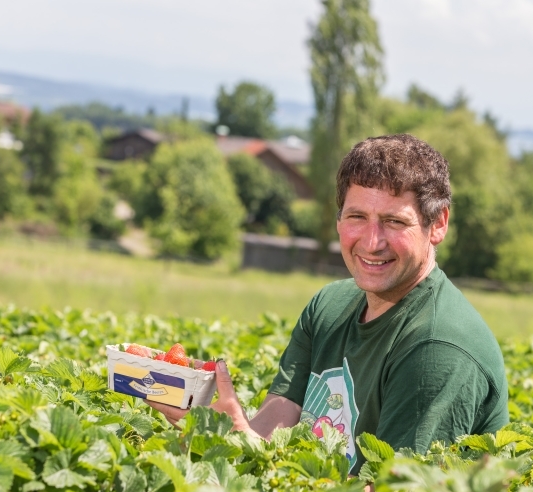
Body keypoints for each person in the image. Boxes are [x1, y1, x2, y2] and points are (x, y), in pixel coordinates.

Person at [147, 134, 509, 474]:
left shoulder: (437, 346)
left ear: (438, 224)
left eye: (394, 222)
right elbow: (268, 434)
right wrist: (220, 426)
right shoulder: (329, 306)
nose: (371, 241)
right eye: (357, 217)